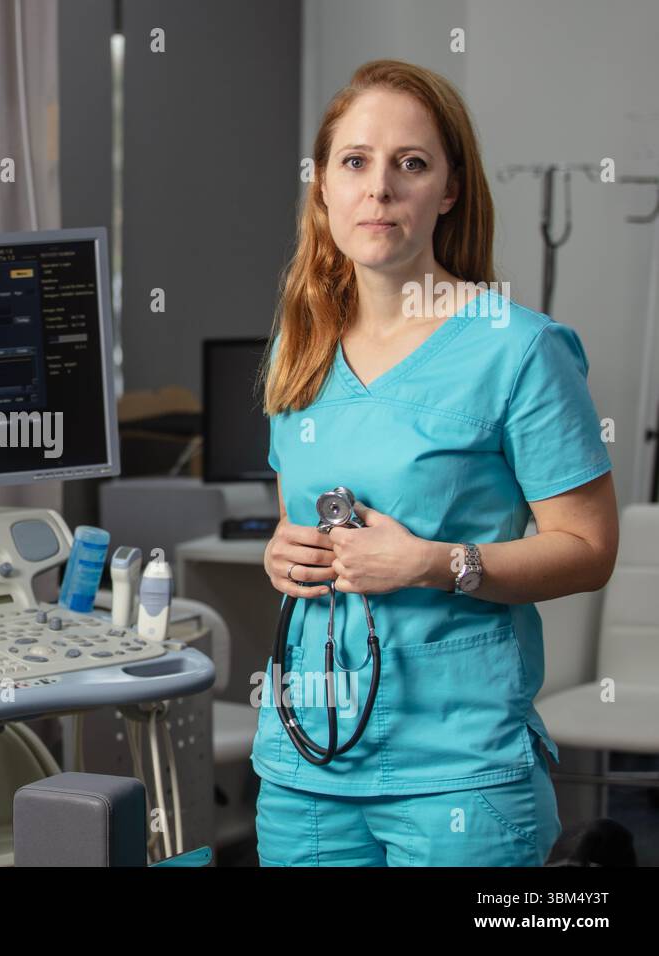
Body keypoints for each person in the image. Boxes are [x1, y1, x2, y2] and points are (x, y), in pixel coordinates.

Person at [253, 59, 619, 866]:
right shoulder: (300, 347)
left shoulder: (519, 350)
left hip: (459, 772)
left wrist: (434, 563)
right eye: (354, 162)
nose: (378, 188)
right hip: (308, 758)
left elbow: (590, 551)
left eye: (410, 164)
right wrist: (281, 552)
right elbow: (294, 521)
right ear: (324, 187)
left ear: (448, 190)